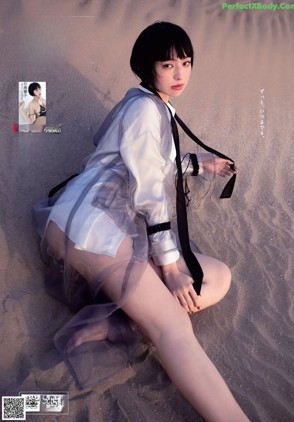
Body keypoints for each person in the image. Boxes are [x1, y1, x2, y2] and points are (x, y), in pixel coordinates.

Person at [33, 22, 248, 421]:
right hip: (95, 223)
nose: (180, 73)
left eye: (186, 62)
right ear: (147, 67)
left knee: (216, 277)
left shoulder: (143, 104)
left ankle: (121, 321)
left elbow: (136, 157)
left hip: (90, 220)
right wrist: (168, 265)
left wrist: (198, 164)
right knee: (174, 332)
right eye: (168, 65)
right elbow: (148, 188)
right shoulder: (143, 108)